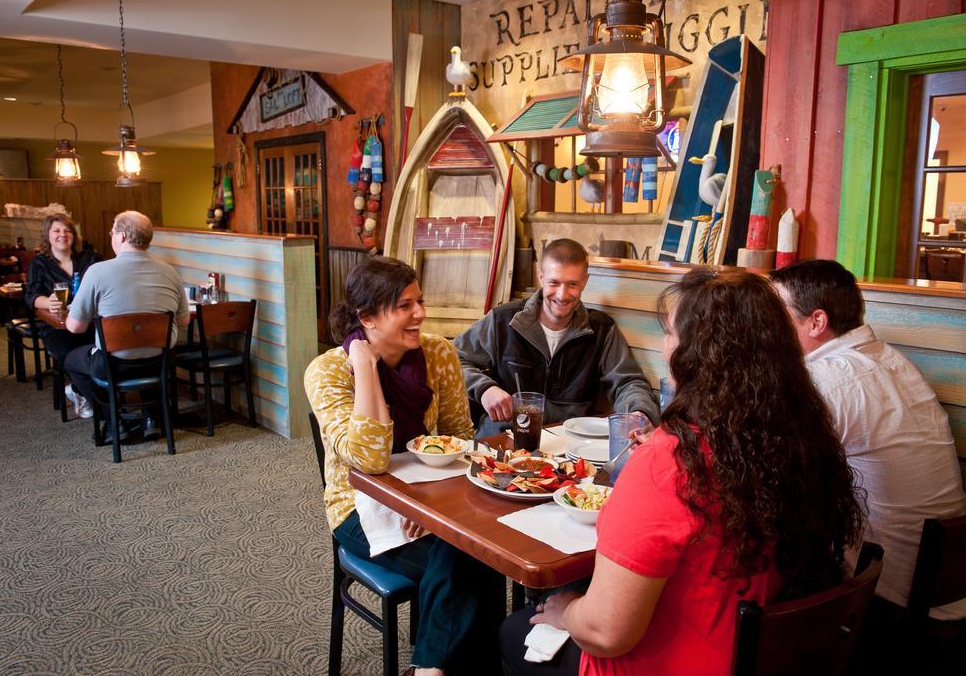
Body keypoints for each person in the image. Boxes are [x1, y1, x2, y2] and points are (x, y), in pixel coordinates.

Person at [499, 268, 863, 676]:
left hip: (682, 660)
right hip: (772, 654)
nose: (663, 344)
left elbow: (605, 633)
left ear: (700, 353)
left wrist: (567, 611)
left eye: (670, 332)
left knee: (514, 632)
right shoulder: (799, 433)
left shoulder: (669, 459)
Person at [770, 259, 966, 670]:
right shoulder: (890, 360)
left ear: (817, 322)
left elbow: (768, 471)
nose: (768, 329)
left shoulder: (829, 378)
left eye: (776, 317)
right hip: (951, 585)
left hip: (891, 597)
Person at [304, 257, 504, 676]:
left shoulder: (438, 353)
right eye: (404, 306)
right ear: (367, 318)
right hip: (358, 508)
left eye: (420, 301)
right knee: (469, 556)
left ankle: (432, 668)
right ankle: (440, 669)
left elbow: (459, 440)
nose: (420, 314)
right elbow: (368, 458)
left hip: (428, 497)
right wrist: (365, 368)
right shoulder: (327, 372)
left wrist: (429, 507)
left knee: (478, 549)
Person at [454, 238, 657, 436]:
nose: (562, 294)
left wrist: (638, 414)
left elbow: (628, 382)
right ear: (540, 277)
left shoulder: (602, 330)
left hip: (571, 447)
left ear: (585, 281)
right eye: (554, 282)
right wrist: (484, 389)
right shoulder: (502, 320)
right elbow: (453, 359)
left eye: (572, 284)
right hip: (502, 440)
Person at [64, 211, 190, 443]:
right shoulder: (170, 272)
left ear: (121, 236)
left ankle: (114, 421)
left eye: (112, 231)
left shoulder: (97, 272)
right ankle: (151, 417)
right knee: (147, 349)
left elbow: (75, 327)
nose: (111, 235)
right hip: (161, 363)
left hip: (115, 366)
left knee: (72, 359)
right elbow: (184, 321)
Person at [24, 214, 102, 417]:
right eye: (56, 230)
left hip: (90, 323)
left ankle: (77, 390)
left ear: (74, 235)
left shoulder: (91, 259)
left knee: (103, 352)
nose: (62, 235)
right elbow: (31, 296)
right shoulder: (38, 263)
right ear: (47, 236)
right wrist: (47, 302)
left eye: (67, 230)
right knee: (69, 355)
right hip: (56, 327)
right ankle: (99, 404)